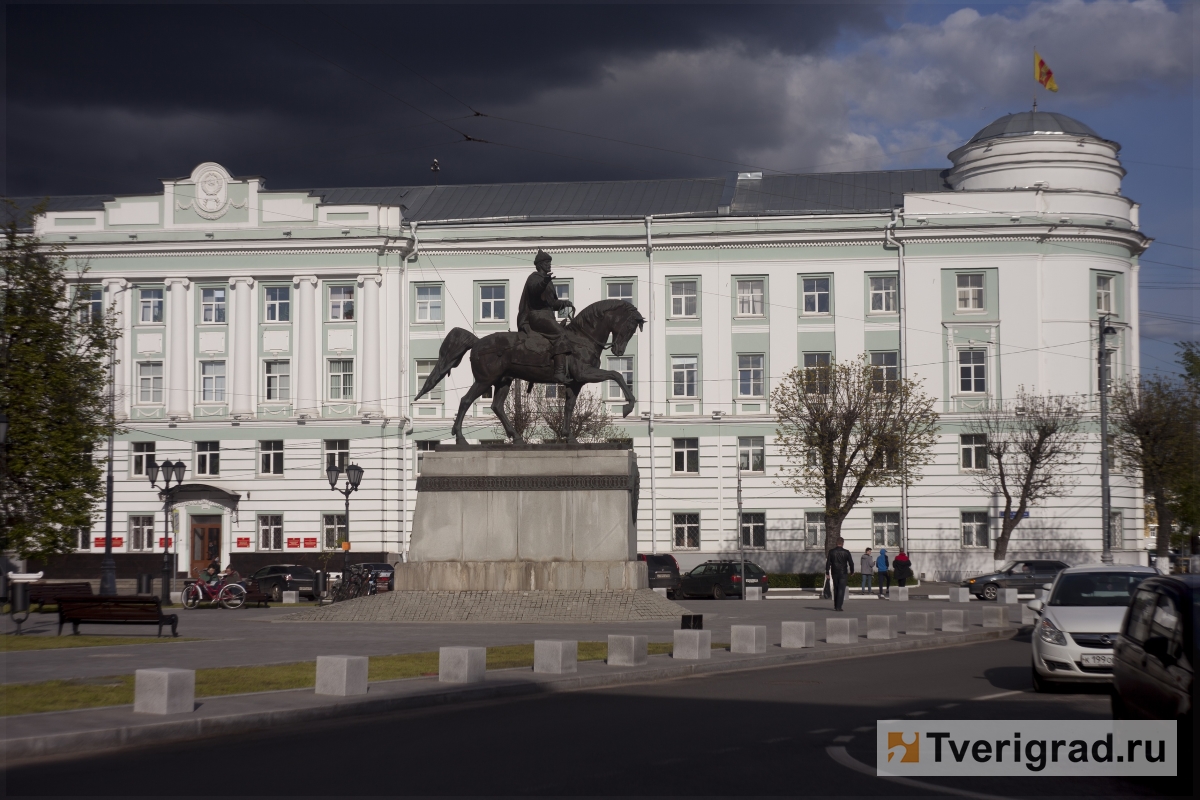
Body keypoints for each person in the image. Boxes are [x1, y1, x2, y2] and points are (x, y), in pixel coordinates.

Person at [517, 250, 576, 384]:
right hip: (536, 315)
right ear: (540, 265)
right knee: (561, 334)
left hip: (547, 315)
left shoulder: (548, 281)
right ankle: (559, 373)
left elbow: (551, 303)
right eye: (546, 263)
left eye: (549, 262)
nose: (549, 265)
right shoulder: (534, 277)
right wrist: (544, 281)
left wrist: (563, 303)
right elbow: (535, 290)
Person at [825, 537, 855, 612]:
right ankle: (839, 606)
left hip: (834, 572)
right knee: (841, 589)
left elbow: (828, 562)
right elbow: (851, 563)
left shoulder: (831, 552)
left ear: (836, 543)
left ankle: (835, 605)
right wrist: (852, 571)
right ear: (843, 543)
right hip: (843, 572)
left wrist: (827, 572)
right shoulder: (846, 552)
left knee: (836, 588)